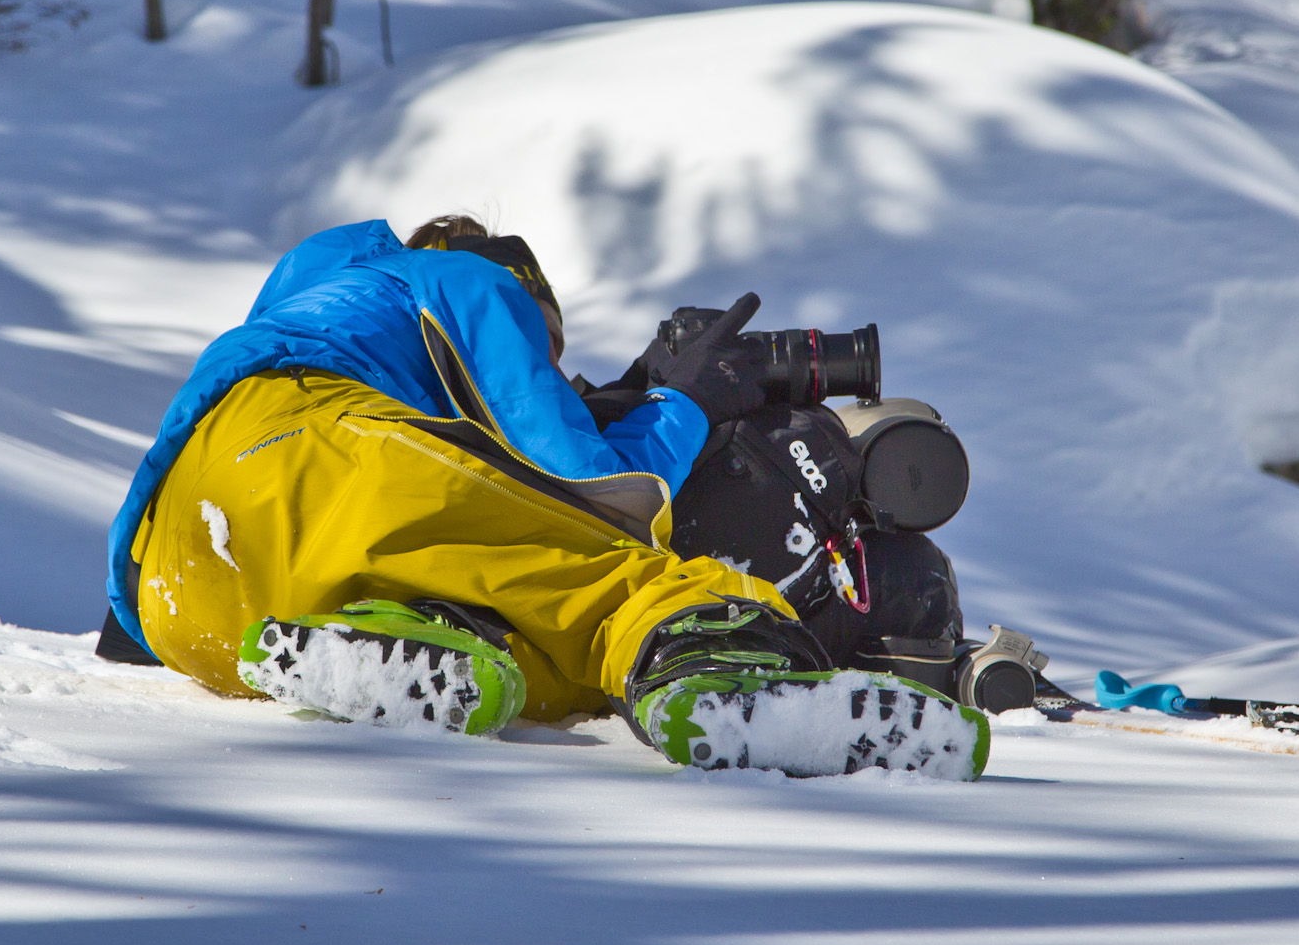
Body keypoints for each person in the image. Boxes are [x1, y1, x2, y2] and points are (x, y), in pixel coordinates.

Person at [97, 215, 988, 778]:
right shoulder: (468, 282)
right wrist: (686, 401)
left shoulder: (298, 312)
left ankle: (420, 636)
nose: (548, 371)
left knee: (528, 641)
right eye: (547, 354)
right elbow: (598, 497)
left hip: (189, 587)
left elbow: (119, 626)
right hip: (330, 452)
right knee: (608, 583)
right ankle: (722, 661)